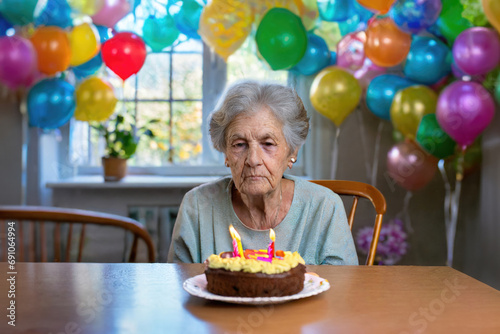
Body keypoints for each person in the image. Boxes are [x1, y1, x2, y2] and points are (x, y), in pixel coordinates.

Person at [167, 80, 358, 265]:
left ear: (292, 152)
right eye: (239, 144)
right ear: (225, 152)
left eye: (268, 144)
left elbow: (342, 290)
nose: (253, 160)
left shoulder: (325, 207)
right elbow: (180, 288)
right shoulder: (198, 206)